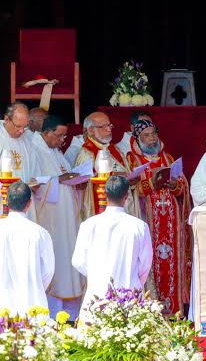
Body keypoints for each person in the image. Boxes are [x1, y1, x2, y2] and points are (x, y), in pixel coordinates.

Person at [125, 119, 191, 315]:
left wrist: (175, 186)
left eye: (154, 133)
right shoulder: (130, 160)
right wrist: (151, 184)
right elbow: (129, 191)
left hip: (172, 226)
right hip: (148, 221)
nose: (152, 138)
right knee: (149, 262)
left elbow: (183, 187)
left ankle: (175, 311)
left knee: (172, 263)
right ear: (137, 138)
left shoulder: (168, 157)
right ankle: (153, 310)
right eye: (146, 135)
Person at [72, 175, 153, 315]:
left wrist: (96, 274)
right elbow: (146, 263)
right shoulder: (139, 226)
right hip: (129, 294)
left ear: (105, 194)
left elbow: (78, 261)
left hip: (97, 294)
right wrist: (133, 278)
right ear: (126, 196)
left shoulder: (89, 225)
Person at [31, 115, 84, 319]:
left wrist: (75, 179)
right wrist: (58, 181)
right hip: (50, 219)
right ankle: (54, 314)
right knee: (55, 262)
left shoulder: (55, 151)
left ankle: (70, 314)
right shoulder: (36, 151)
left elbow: (64, 175)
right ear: (47, 133)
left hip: (66, 219)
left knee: (67, 259)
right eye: (60, 135)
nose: (63, 140)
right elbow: (35, 183)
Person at [0, 182, 55, 316]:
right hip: (32, 299)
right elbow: (48, 270)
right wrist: (34, 285)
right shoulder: (40, 233)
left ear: (6, 201)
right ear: (29, 203)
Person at [74, 111, 139, 220]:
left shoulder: (115, 149)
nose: (109, 129)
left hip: (123, 204)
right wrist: (116, 176)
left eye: (109, 125)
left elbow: (126, 172)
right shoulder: (87, 153)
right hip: (102, 206)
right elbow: (84, 186)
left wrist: (131, 181)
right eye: (103, 126)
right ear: (91, 130)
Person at [0, 103, 39, 220]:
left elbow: (34, 168)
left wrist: (35, 181)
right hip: (4, 200)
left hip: (25, 200)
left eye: (24, 127)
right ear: (7, 119)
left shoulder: (27, 139)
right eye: (18, 126)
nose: (22, 131)